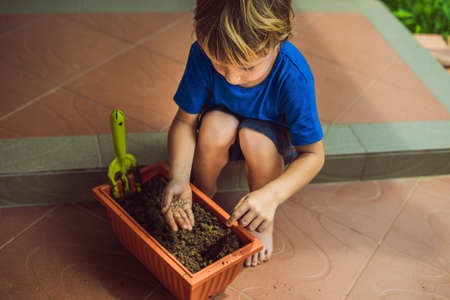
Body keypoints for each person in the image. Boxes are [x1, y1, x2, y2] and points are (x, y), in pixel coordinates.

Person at [161, 0, 325, 267]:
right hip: (221, 125)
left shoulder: (293, 75)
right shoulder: (203, 52)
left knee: (255, 137)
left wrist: (272, 195)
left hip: (267, 139)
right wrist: (178, 176)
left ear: (277, 41)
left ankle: (260, 220)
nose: (232, 79)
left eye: (248, 67)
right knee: (216, 124)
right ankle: (201, 192)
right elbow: (184, 123)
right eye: (220, 65)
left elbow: (314, 156)